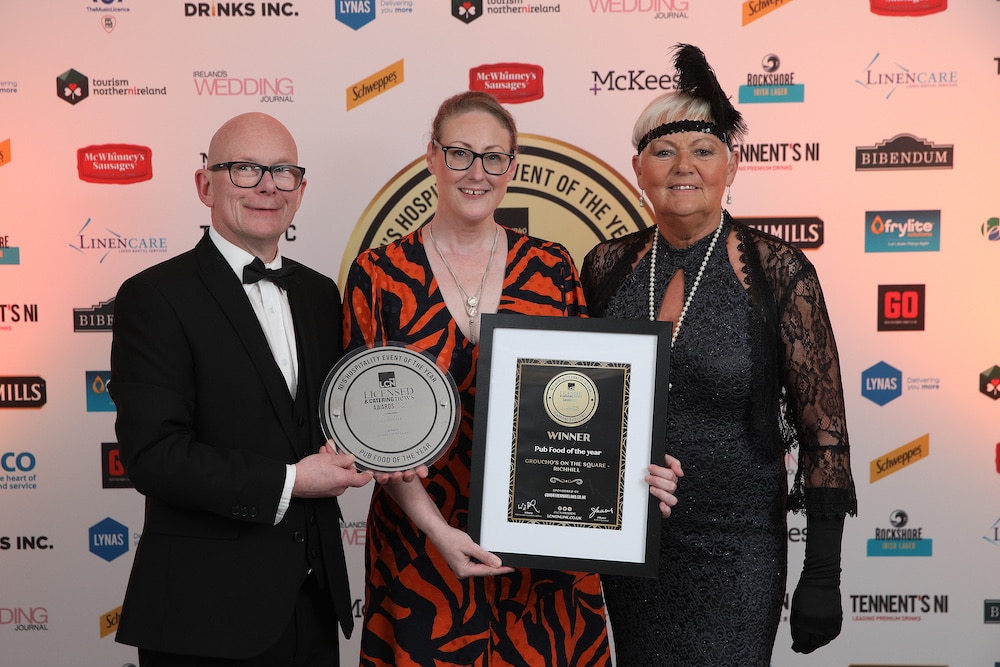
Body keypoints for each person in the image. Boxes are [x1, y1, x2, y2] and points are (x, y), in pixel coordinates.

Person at [580, 45, 858, 666]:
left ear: (730, 166)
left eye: (703, 150)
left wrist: (823, 571)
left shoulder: (776, 268)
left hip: (738, 543)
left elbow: (824, 431)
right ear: (637, 169)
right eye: (663, 151)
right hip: (632, 538)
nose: (684, 166)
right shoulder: (605, 266)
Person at [342, 91, 612, 666]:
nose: (476, 172)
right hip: (420, 550)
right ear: (432, 158)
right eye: (460, 153)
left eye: (493, 157)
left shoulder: (553, 266)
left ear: (511, 168)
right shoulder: (378, 273)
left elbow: (593, 403)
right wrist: (438, 530)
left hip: (544, 550)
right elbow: (369, 430)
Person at [109, 112, 373, 666]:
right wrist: (292, 481)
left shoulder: (322, 294)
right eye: (245, 169)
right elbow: (153, 457)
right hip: (204, 614)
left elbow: (332, 422)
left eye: (283, 172)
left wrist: (389, 449)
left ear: (301, 190)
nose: (267, 186)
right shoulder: (154, 296)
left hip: (313, 605)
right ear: (205, 184)